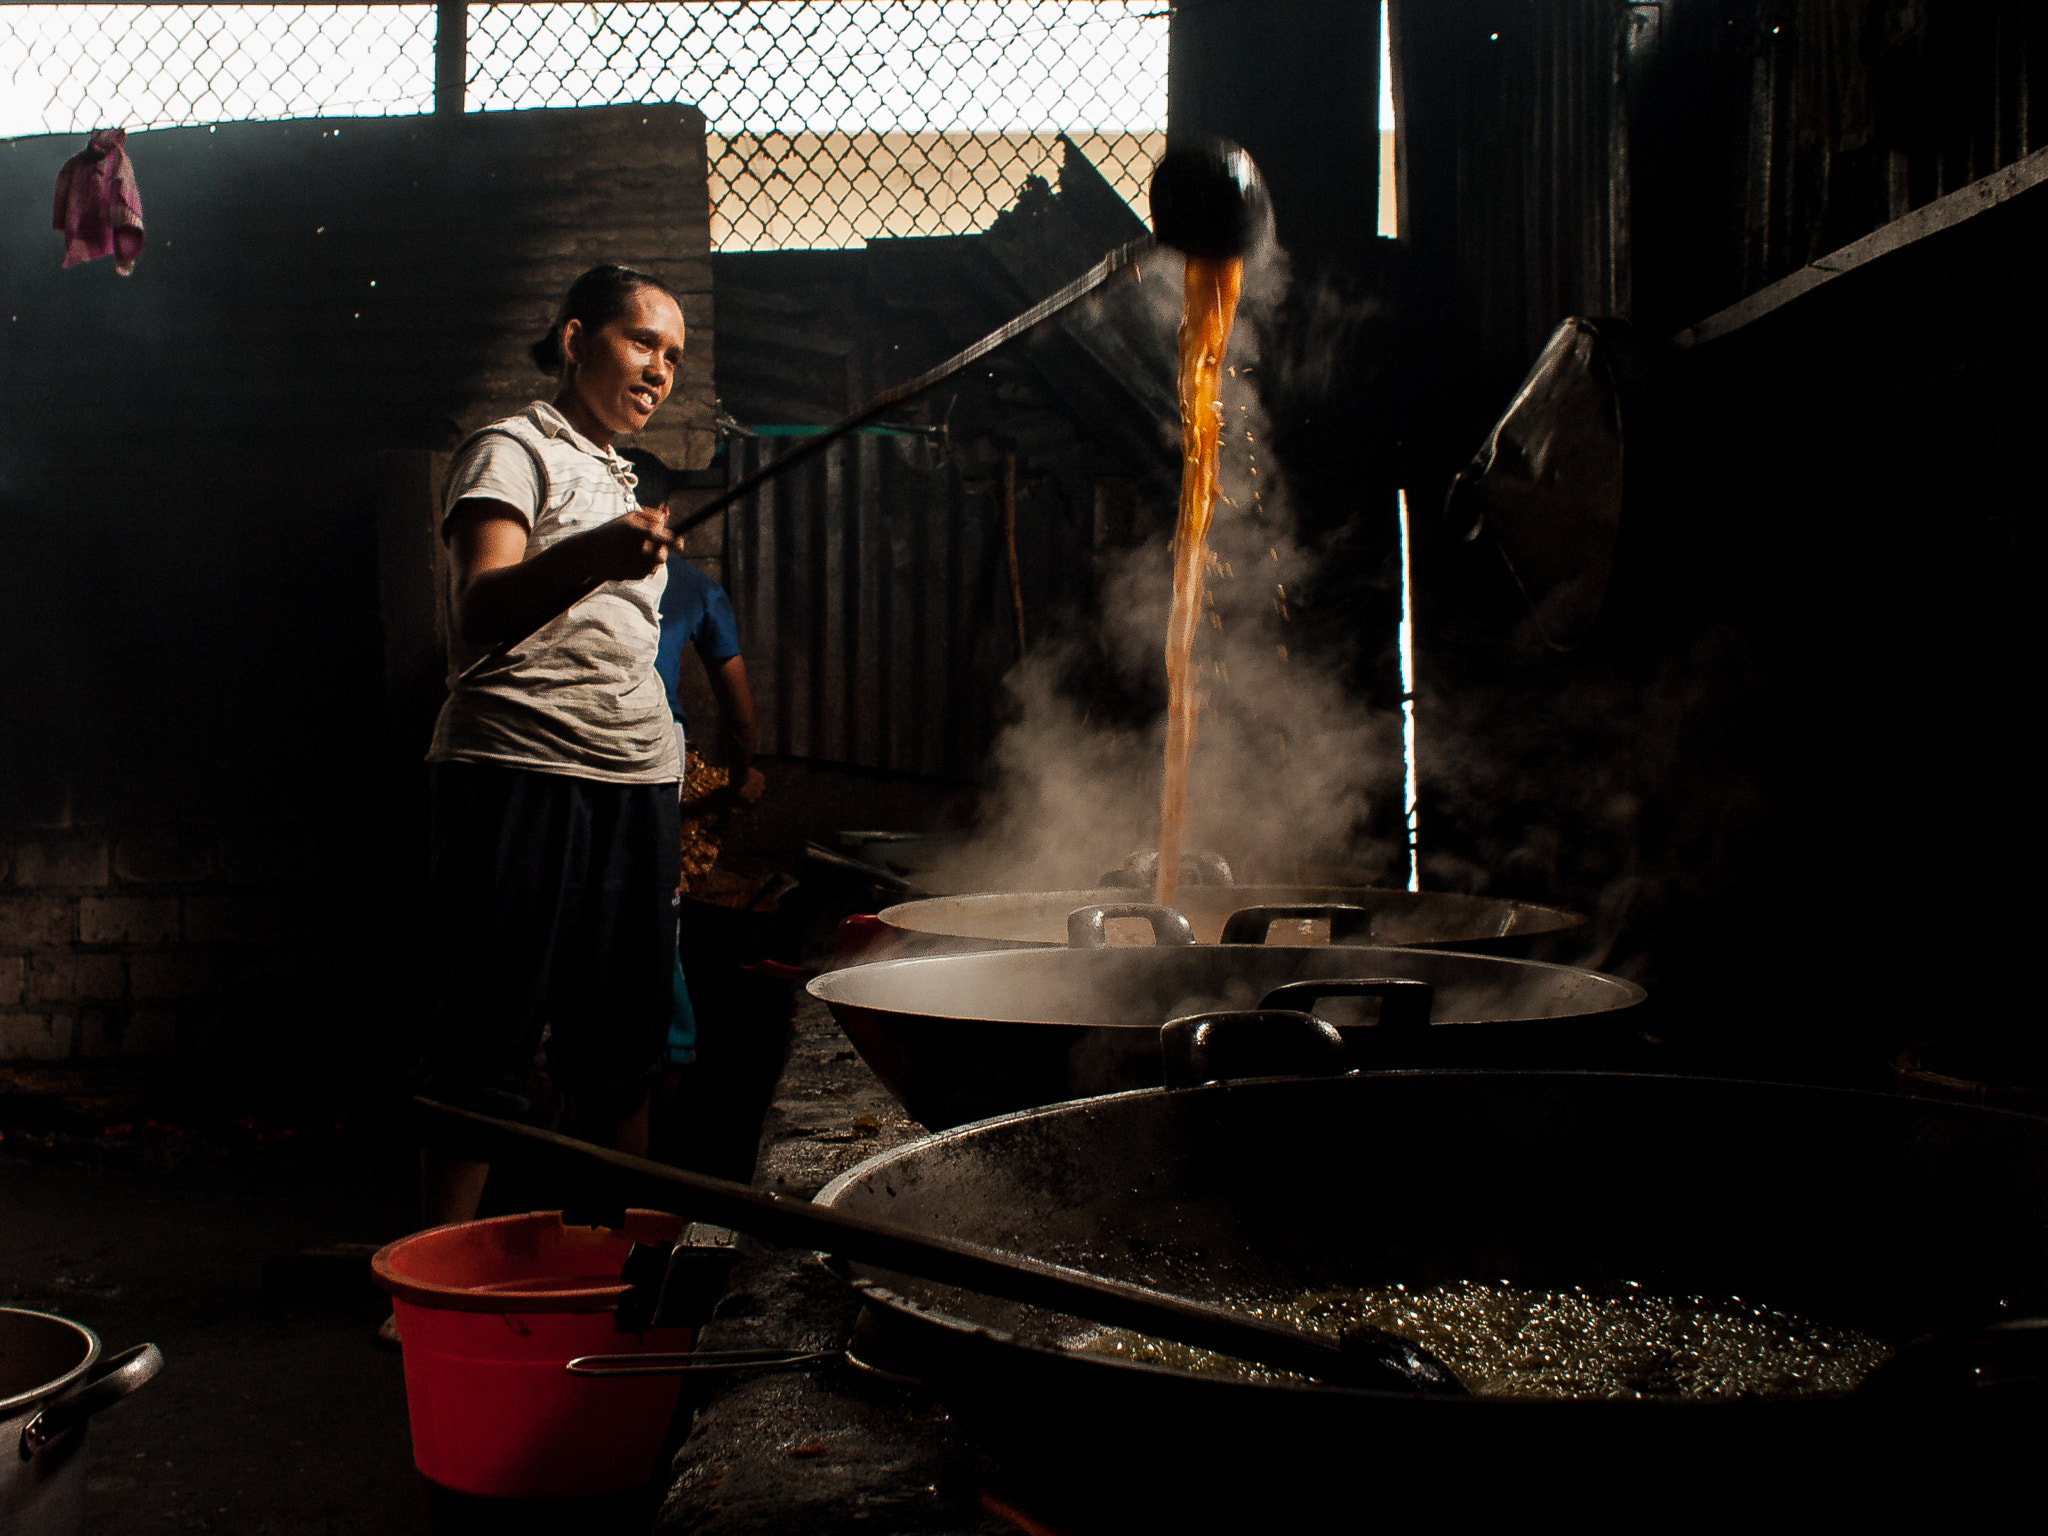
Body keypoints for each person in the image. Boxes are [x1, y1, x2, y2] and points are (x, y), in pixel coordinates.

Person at [413, 263, 689, 1235]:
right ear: (575, 341)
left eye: (672, 357)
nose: (659, 370)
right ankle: (429, 1279)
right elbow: (480, 606)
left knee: (623, 1042)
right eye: (641, 342)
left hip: (632, 783)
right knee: (484, 1032)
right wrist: (593, 553)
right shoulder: (509, 449)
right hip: (518, 772)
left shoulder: (620, 476)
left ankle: (623, 1265)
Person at [617, 447, 765, 1087]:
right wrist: (740, 779)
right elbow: (739, 713)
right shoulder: (696, 586)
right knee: (656, 903)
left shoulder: (568, 568)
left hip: (567, 749)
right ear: (666, 513)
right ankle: (669, 1056)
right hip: (655, 746)